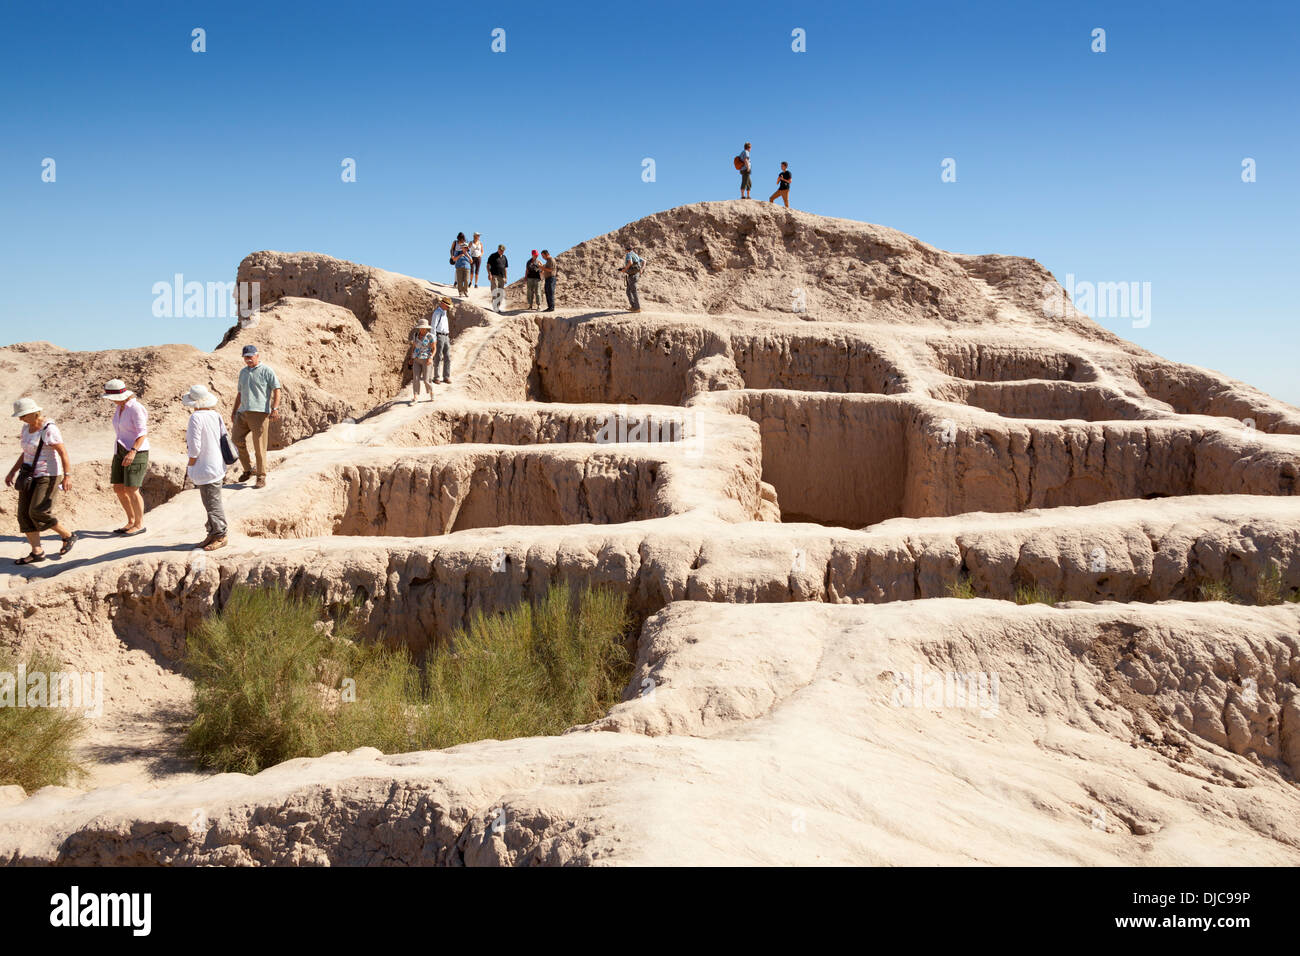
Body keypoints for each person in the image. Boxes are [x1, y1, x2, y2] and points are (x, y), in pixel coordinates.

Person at [5, 397, 76, 564]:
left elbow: (63, 453)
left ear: (33, 413)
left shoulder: (49, 429)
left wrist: (67, 475)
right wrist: (12, 472)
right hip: (29, 475)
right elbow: (26, 453)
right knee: (23, 514)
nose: (20, 419)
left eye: (22, 415)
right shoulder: (25, 428)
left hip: (48, 475)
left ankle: (68, 535)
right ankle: (37, 552)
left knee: (38, 511)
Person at [181, 384, 229, 552]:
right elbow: (224, 437)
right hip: (217, 464)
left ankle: (221, 535)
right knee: (211, 501)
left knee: (212, 503)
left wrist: (191, 463)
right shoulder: (216, 415)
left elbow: (194, 446)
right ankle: (212, 533)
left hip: (205, 465)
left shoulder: (196, 418)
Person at [231, 344, 281, 489]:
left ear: (257, 356)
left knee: (259, 446)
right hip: (243, 412)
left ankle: (261, 476)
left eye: (250, 357)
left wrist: (275, 408)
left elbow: (276, 389)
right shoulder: (243, 372)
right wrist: (234, 411)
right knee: (235, 439)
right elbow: (239, 393)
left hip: (259, 413)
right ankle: (248, 469)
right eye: (245, 357)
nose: (248, 360)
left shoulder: (267, 371)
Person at [103, 378, 149, 535]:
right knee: (119, 488)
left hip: (136, 451)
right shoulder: (120, 407)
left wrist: (133, 451)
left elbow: (142, 433)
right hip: (120, 449)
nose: (111, 401)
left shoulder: (136, 408)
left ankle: (139, 524)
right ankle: (130, 521)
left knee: (131, 489)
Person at [404, 317, 435, 402]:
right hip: (417, 359)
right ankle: (415, 397)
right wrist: (411, 358)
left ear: (426, 328)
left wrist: (431, 358)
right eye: (420, 327)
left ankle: (431, 392)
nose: (422, 329)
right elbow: (413, 347)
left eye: (423, 327)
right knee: (416, 378)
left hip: (427, 360)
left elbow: (434, 349)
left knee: (426, 379)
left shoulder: (431, 336)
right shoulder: (416, 335)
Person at [432, 296, 453, 384]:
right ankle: (436, 377)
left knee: (447, 357)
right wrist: (434, 339)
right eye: (447, 306)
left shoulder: (444, 312)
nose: (448, 308)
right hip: (439, 336)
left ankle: (446, 376)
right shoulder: (437, 313)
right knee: (438, 356)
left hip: (446, 336)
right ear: (443, 304)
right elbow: (433, 326)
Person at [619, 242, 644, 313]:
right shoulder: (635, 255)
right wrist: (642, 269)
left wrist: (624, 269)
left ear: (627, 250)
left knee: (633, 291)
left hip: (632, 275)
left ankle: (637, 308)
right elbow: (644, 261)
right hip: (636, 274)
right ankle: (634, 307)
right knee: (628, 291)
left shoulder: (629, 254)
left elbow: (630, 263)